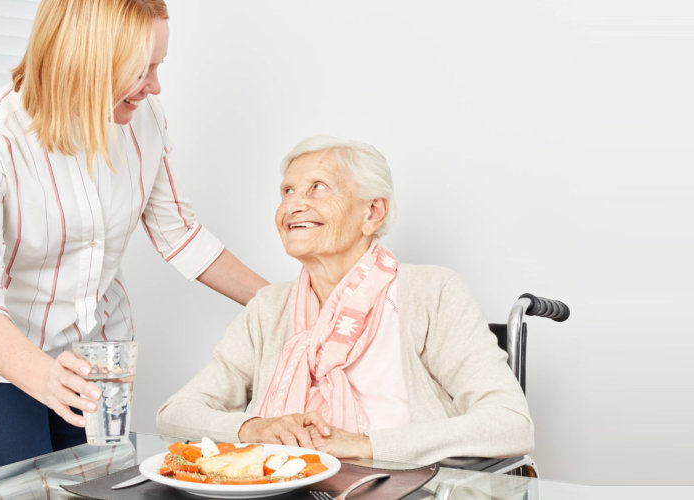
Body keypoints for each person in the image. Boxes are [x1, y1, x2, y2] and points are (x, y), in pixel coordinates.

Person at [0, 0, 271, 472]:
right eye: (141, 70)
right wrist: (45, 377)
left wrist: (284, 305)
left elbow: (179, 234)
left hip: (97, 351)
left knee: (98, 486)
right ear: (87, 61)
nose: (155, 86)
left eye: (158, 66)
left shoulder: (145, 118)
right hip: (0, 361)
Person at [156, 136, 533, 464]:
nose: (294, 205)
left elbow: (510, 424)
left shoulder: (431, 293)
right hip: (287, 489)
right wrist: (255, 427)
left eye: (318, 187)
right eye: (287, 191)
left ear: (372, 212)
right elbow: (176, 414)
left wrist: (367, 445)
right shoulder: (269, 308)